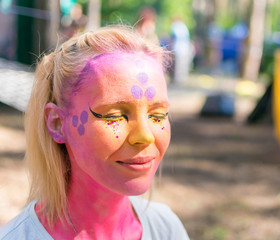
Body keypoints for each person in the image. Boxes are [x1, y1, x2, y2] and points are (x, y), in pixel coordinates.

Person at [0, 25, 189, 240]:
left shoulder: (166, 228)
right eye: (115, 115)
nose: (145, 136)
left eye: (157, 115)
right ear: (57, 124)